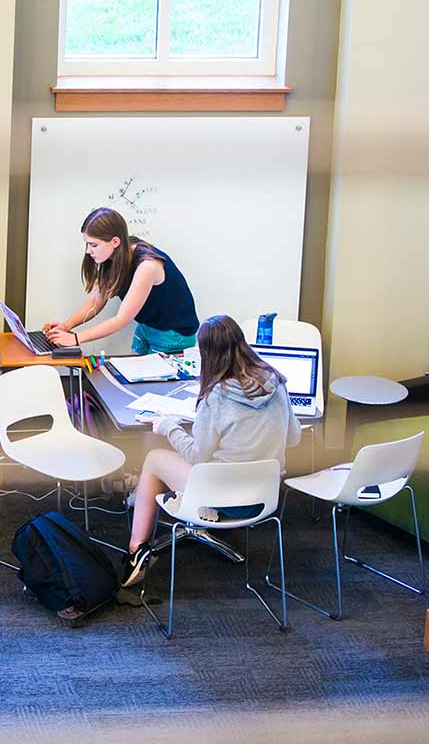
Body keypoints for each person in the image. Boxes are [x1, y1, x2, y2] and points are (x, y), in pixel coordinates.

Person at [121, 315, 301, 587]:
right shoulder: (276, 384)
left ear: (207, 354)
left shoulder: (215, 396)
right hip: (263, 497)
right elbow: (294, 438)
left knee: (155, 459)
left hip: (223, 495)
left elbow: (198, 457)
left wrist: (167, 426)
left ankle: (137, 551)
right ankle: (195, 510)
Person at [41, 207, 199, 355]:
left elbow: (121, 319)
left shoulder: (147, 266)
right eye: (87, 244)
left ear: (115, 241)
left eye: (94, 245)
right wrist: (65, 327)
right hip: (147, 327)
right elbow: (95, 302)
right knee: (135, 379)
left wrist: (75, 339)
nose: (88, 251)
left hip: (173, 335)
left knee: (152, 384)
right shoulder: (115, 255)